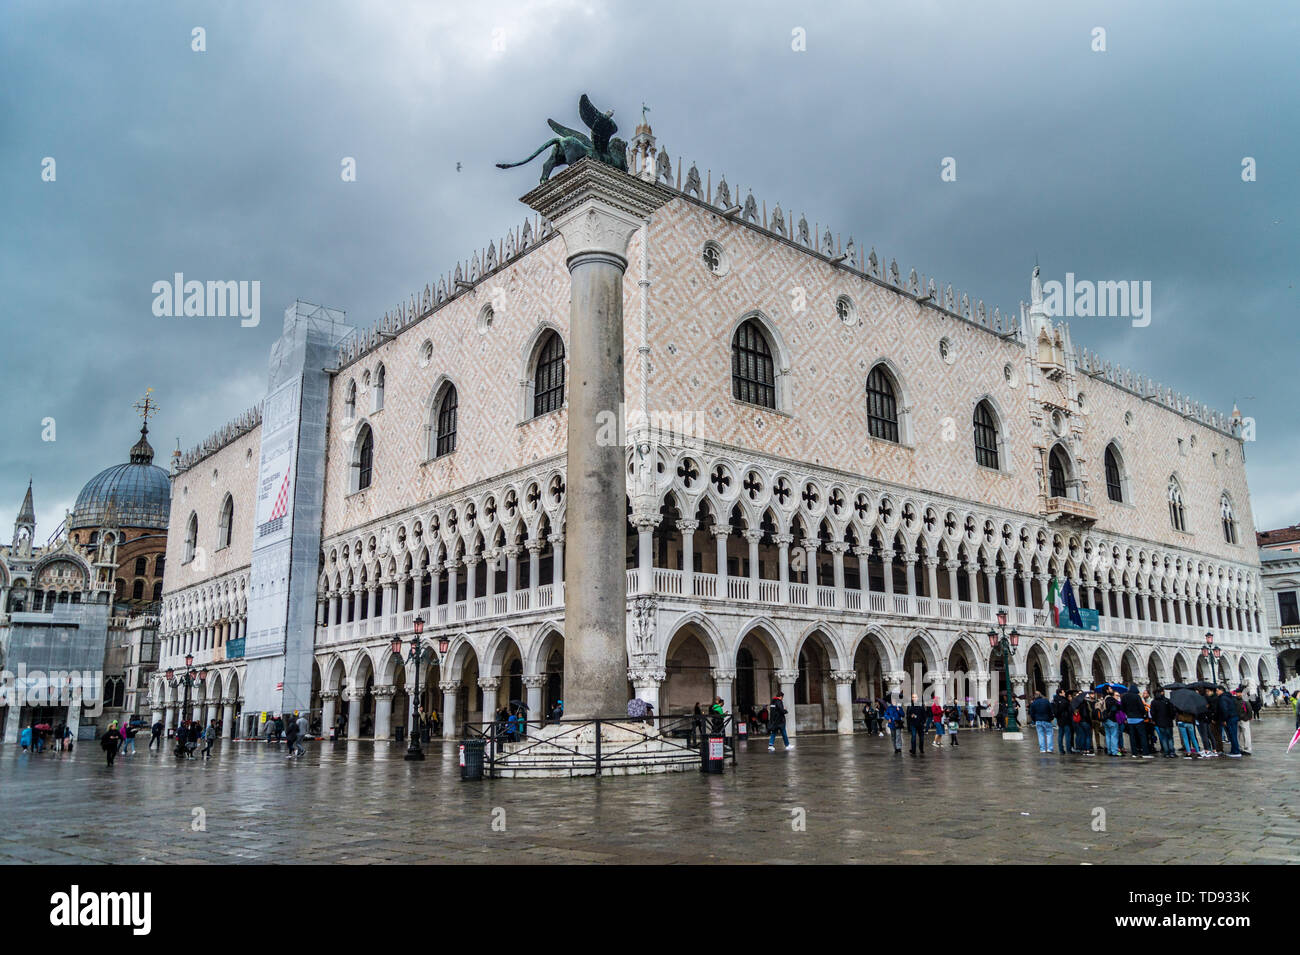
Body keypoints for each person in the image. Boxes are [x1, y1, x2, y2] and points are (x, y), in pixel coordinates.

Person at [1120, 685, 1151, 758]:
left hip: (1130, 720)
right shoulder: (1137, 697)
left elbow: (1122, 708)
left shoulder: (1124, 697)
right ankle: (1145, 752)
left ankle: (1134, 753)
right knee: (1142, 736)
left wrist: (1128, 713)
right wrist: (1143, 714)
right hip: (1139, 719)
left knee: (1132, 737)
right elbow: (1141, 707)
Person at [1150, 688, 1176, 758]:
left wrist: (1155, 720)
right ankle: (1172, 752)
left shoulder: (1154, 702)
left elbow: (1152, 713)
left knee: (1163, 738)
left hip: (1160, 722)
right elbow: (1172, 711)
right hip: (1168, 722)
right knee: (1170, 737)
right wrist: (1172, 717)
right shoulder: (1167, 701)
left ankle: (1166, 752)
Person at [1216, 686, 1242, 757]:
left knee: (1232, 735)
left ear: (1221, 690)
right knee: (1233, 734)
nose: (1216, 692)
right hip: (1233, 717)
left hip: (1229, 718)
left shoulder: (1222, 698)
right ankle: (1234, 750)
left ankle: (1236, 751)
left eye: (1217, 691)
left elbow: (1224, 709)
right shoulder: (1229, 697)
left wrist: (1224, 719)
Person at [1102, 690, 1121, 756]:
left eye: (1118, 695)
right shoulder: (1113, 701)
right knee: (1114, 736)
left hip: (1105, 720)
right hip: (1112, 720)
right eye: (1116, 695)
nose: (1118, 697)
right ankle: (1114, 751)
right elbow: (1114, 709)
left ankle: (1109, 751)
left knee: (1108, 735)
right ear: (1113, 695)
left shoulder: (1105, 699)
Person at [1053, 689, 1073, 754]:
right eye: (1063, 692)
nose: (1064, 693)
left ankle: (1061, 750)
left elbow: (1055, 712)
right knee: (1067, 735)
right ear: (1060, 693)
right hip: (1066, 720)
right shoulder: (1064, 701)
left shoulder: (1055, 701)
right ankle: (1068, 749)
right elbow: (1069, 710)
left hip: (1059, 720)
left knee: (1060, 735)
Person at [1235, 688, 1253, 756]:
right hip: (1237, 719)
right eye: (1237, 693)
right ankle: (1239, 748)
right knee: (1237, 735)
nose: (1238, 694)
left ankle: (1247, 749)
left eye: (1239, 693)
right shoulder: (1235, 700)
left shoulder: (1245, 700)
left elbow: (1249, 709)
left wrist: (1247, 718)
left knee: (1246, 735)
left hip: (1244, 720)